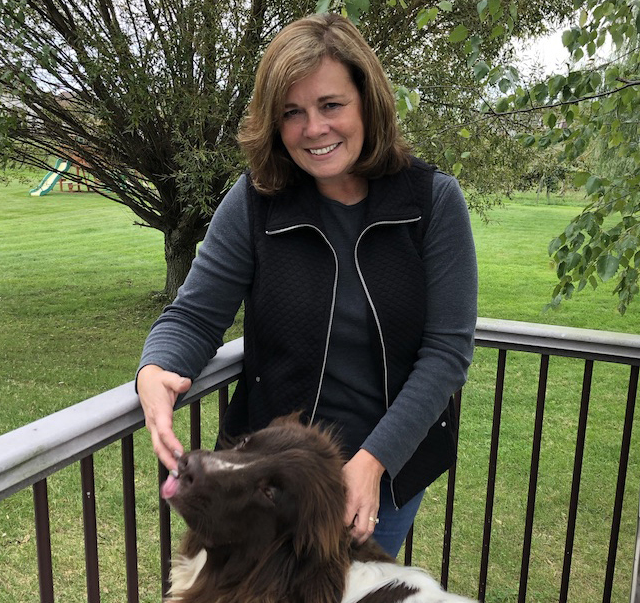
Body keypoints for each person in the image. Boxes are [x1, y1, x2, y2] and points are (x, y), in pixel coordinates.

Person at [136, 13, 477, 557]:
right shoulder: (254, 202)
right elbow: (195, 316)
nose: (313, 128)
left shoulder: (431, 202)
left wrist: (372, 462)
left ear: (367, 102)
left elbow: (447, 351)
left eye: (331, 105)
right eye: (292, 113)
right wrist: (155, 368)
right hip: (265, 483)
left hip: (382, 476)